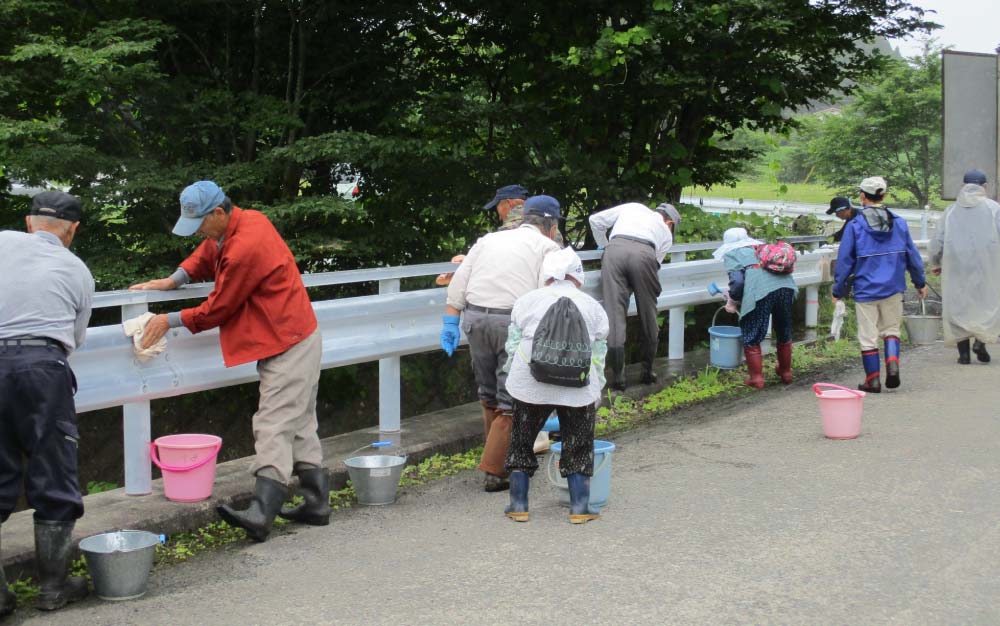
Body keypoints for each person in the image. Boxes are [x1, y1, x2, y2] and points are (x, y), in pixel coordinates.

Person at [130, 180, 327, 542]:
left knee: (273, 423)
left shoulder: (245, 246)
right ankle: (316, 504)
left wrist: (168, 320)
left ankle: (261, 512)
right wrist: (174, 280)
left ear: (218, 212)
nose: (200, 233)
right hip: (293, 334)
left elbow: (220, 307)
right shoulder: (246, 221)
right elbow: (209, 251)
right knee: (299, 422)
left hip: (287, 340)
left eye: (202, 223)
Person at [0, 191, 94, 613]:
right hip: (43, 368)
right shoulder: (77, 270)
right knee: (53, 469)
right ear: (72, 231)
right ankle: (53, 587)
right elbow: (73, 340)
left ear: (28, 221)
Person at [440, 195, 562, 492]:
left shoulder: (487, 240)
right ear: (550, 225)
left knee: (488, 394)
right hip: (511, 322)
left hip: (475, 319)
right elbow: (546, 293)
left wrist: (450, 322)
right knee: (512, 401)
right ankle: (496, 472)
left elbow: (459, 282)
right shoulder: (547, 247)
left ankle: (497, 456)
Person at [501, 247, 608, 524]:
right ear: (577, 275)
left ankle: (518, 504)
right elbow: (598, 353)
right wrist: (597, 385)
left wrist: (511, 373)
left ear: (546, 274)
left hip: (529, 381)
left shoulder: (527, 301)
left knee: (522, 439)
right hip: (578, 385)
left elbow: (513, 346)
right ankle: (579, 508)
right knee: (579, 441)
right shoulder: (592, 306)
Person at [832, 176, 927, 393]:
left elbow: (845, 261)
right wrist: (919, 282)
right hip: (893, 286)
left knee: (868, 336)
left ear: (862, 197)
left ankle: (873, 380)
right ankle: (892, 365)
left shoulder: (855, 225)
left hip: (866, 289)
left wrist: (838, 290)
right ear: (883, 196)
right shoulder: (899, 223)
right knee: (891, 329)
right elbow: (912, 255)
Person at [588, 202, 681, 389]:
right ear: (669, 222)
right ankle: (647, 372)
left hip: (614, 252)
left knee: (614, 313)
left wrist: (605, 246)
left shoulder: (633, 207)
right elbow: (655, 265)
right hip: (645, 255)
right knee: (648, 313)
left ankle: (618, 378)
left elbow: (595, 220)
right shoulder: (665, 234)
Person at [928, 168, 1000, 364]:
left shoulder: (950, 212)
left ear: (962, 186)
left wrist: (935, 262)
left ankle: (964, 354)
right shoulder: (994, 209)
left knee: (958, 307)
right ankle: (980, 342)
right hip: (988, 267)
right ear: (984, 187)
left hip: (956, 267)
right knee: (985, 304)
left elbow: (937, 242)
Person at [714, 228, 796, 389]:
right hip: (786, 288)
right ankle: (786, 372)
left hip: (761, 293)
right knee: (784, 328)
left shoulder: (732, 254)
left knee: (752, 331)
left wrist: (732, 300)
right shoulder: (759, 249)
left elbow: (737, 283)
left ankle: (756, 378)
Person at [436, 184, 563, 287]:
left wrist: (467, 261)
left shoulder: (513, 227)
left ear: (509, 203)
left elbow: (500, 261)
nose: (498, 214)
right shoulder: (547, 222)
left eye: (497, 207)